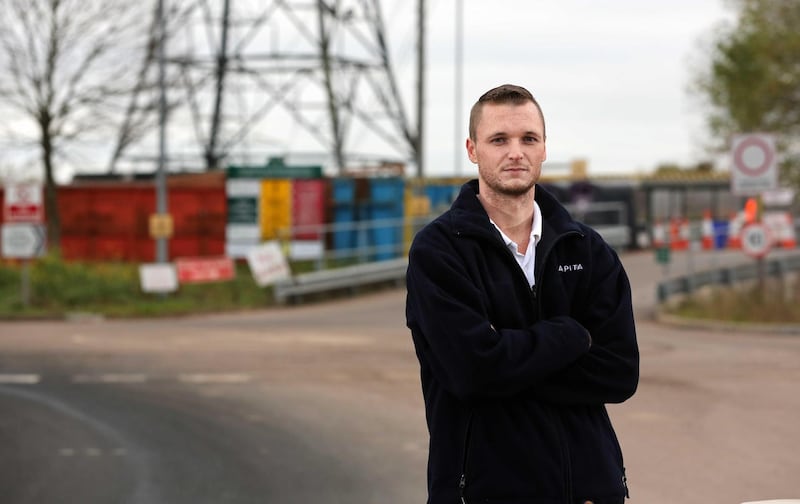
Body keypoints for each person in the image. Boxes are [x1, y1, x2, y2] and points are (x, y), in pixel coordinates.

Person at [405, 84, 639, 504]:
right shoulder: (439, 251)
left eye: (528, 138)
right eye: (499, 140)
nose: (516, 152)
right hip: (481, 492)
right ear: (473, 149)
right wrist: (569, 336)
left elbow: (620, 372)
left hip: (589, 491)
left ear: (544, 148)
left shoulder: (586, 249)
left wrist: (505, 354)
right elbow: (471, 372)